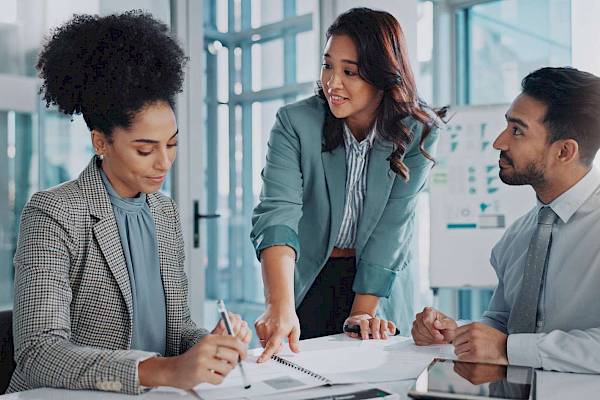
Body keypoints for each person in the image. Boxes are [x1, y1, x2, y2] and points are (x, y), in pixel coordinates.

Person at [9, 11, 251, 395]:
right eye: (144, 149)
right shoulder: (53, 213)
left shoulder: (165, 212)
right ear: (101, 142)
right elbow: (40, 353)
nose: (164, 162)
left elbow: (177, 330)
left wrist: (209, 343)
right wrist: (164, 371)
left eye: (171, 144)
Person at [251, 7, 445, 362]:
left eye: (349, 72)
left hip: (376, 281)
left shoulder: (418, 131)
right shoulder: (295, 122)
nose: (332, 83)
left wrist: (363, 312)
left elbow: (393, 226)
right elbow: (278, 213)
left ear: (383, 76)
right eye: (328, 66)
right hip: (308, 274)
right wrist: (278, 305)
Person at [412, 67, 600, 373]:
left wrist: (507, 348)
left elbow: (510, 345)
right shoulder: (520, 234)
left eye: (517, 130)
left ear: (564, 151)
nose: (498, 142)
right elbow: (502, 322)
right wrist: (457, 334)